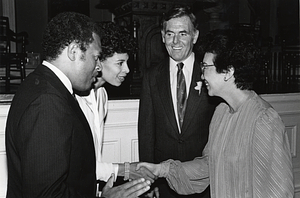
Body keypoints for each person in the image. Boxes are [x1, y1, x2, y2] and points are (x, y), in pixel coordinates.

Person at [5, 12, 150, 198]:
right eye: (96, 57)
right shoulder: (47, 102)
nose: (98, 66)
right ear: (74, 51)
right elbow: (46, 194)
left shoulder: (44, 86)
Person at [137, 28, 295, 198]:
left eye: (205, 67)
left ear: (228, 71)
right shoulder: (221, 112)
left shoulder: (263, 120)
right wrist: (162, 169)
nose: (202, 75)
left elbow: (280, 190)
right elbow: (209, 165)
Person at [138, 5, 217, 198]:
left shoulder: (211, 73)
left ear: (195, 36)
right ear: (163, 36)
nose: (176, 41)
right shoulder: (151, 76)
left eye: (183, 33)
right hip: (164, 183)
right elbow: (147, 131)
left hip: (204, 180)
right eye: (170, 34)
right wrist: (148, 181)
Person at [75, 21, 156, 196]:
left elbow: (92, 161)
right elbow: (77, 166)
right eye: (120, 63)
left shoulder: (102, 95)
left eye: (127, 63)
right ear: (98, 61)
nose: (127, 70)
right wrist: (126, 170)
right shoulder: (76, 100)